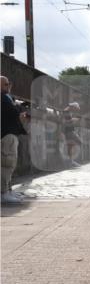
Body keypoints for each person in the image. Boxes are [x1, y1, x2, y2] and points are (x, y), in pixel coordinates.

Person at [1, 76, 27, 205]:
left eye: (9, 83)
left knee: (10, 165)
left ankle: (8, 190)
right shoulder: (2, 98)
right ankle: (3, 193)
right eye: (6, 84)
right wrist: (18, 110)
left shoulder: (7, 97)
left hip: (11, 135)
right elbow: (14, 110)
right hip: (6, 135)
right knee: (6, 164)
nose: (9, 86)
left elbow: (19, 109)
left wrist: (18, 109)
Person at [62, 102, 82, 167]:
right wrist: (74, 119)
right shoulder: (66, 111)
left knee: (70, 146)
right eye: (75, 108)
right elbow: (66, 121)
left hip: (69, 131)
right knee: (79, 142)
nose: (75, 110)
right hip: (69, 131)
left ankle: (71, 162)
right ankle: (72, 161)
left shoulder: (68, 111)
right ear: (73, 107)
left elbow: (68, 121)